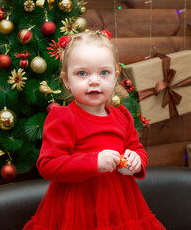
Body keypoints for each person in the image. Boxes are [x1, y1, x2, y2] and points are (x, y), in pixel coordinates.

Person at [23, 31, 165, 230]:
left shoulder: (122, 116)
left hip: (121, 205)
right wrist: (94, 162)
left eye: (103, 73)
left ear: (115, 77)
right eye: (82, 73)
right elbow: (48, 165)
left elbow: (136, 148)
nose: (94, 81)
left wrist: (136, 161)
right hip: (78, 208)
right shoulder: (63, 117)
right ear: (66, 80)